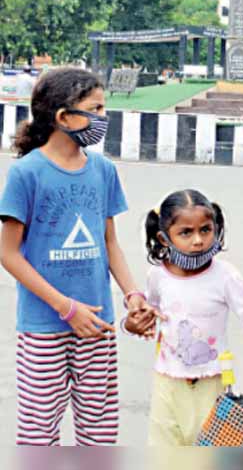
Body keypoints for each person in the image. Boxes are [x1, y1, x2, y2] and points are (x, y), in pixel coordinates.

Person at [0, 68, 156, 445]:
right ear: (64, 117)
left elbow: (110, 244)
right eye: (96, 108)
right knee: (39, 435)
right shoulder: (26, 174)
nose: (104, 117)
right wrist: (65, 307)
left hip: (96, 325)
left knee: (99, 433)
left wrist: (133, 294)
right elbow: (8, 254)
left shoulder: (103, 171)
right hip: (44, 328)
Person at [121, 189, 243, 446]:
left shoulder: (225, 275)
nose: (198, 241)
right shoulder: (157, 276)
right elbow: (147, 313)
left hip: (211, 384)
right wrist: (132, 325)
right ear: (164, 238)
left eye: (205, 230)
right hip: (166, 383)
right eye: (186, 233)